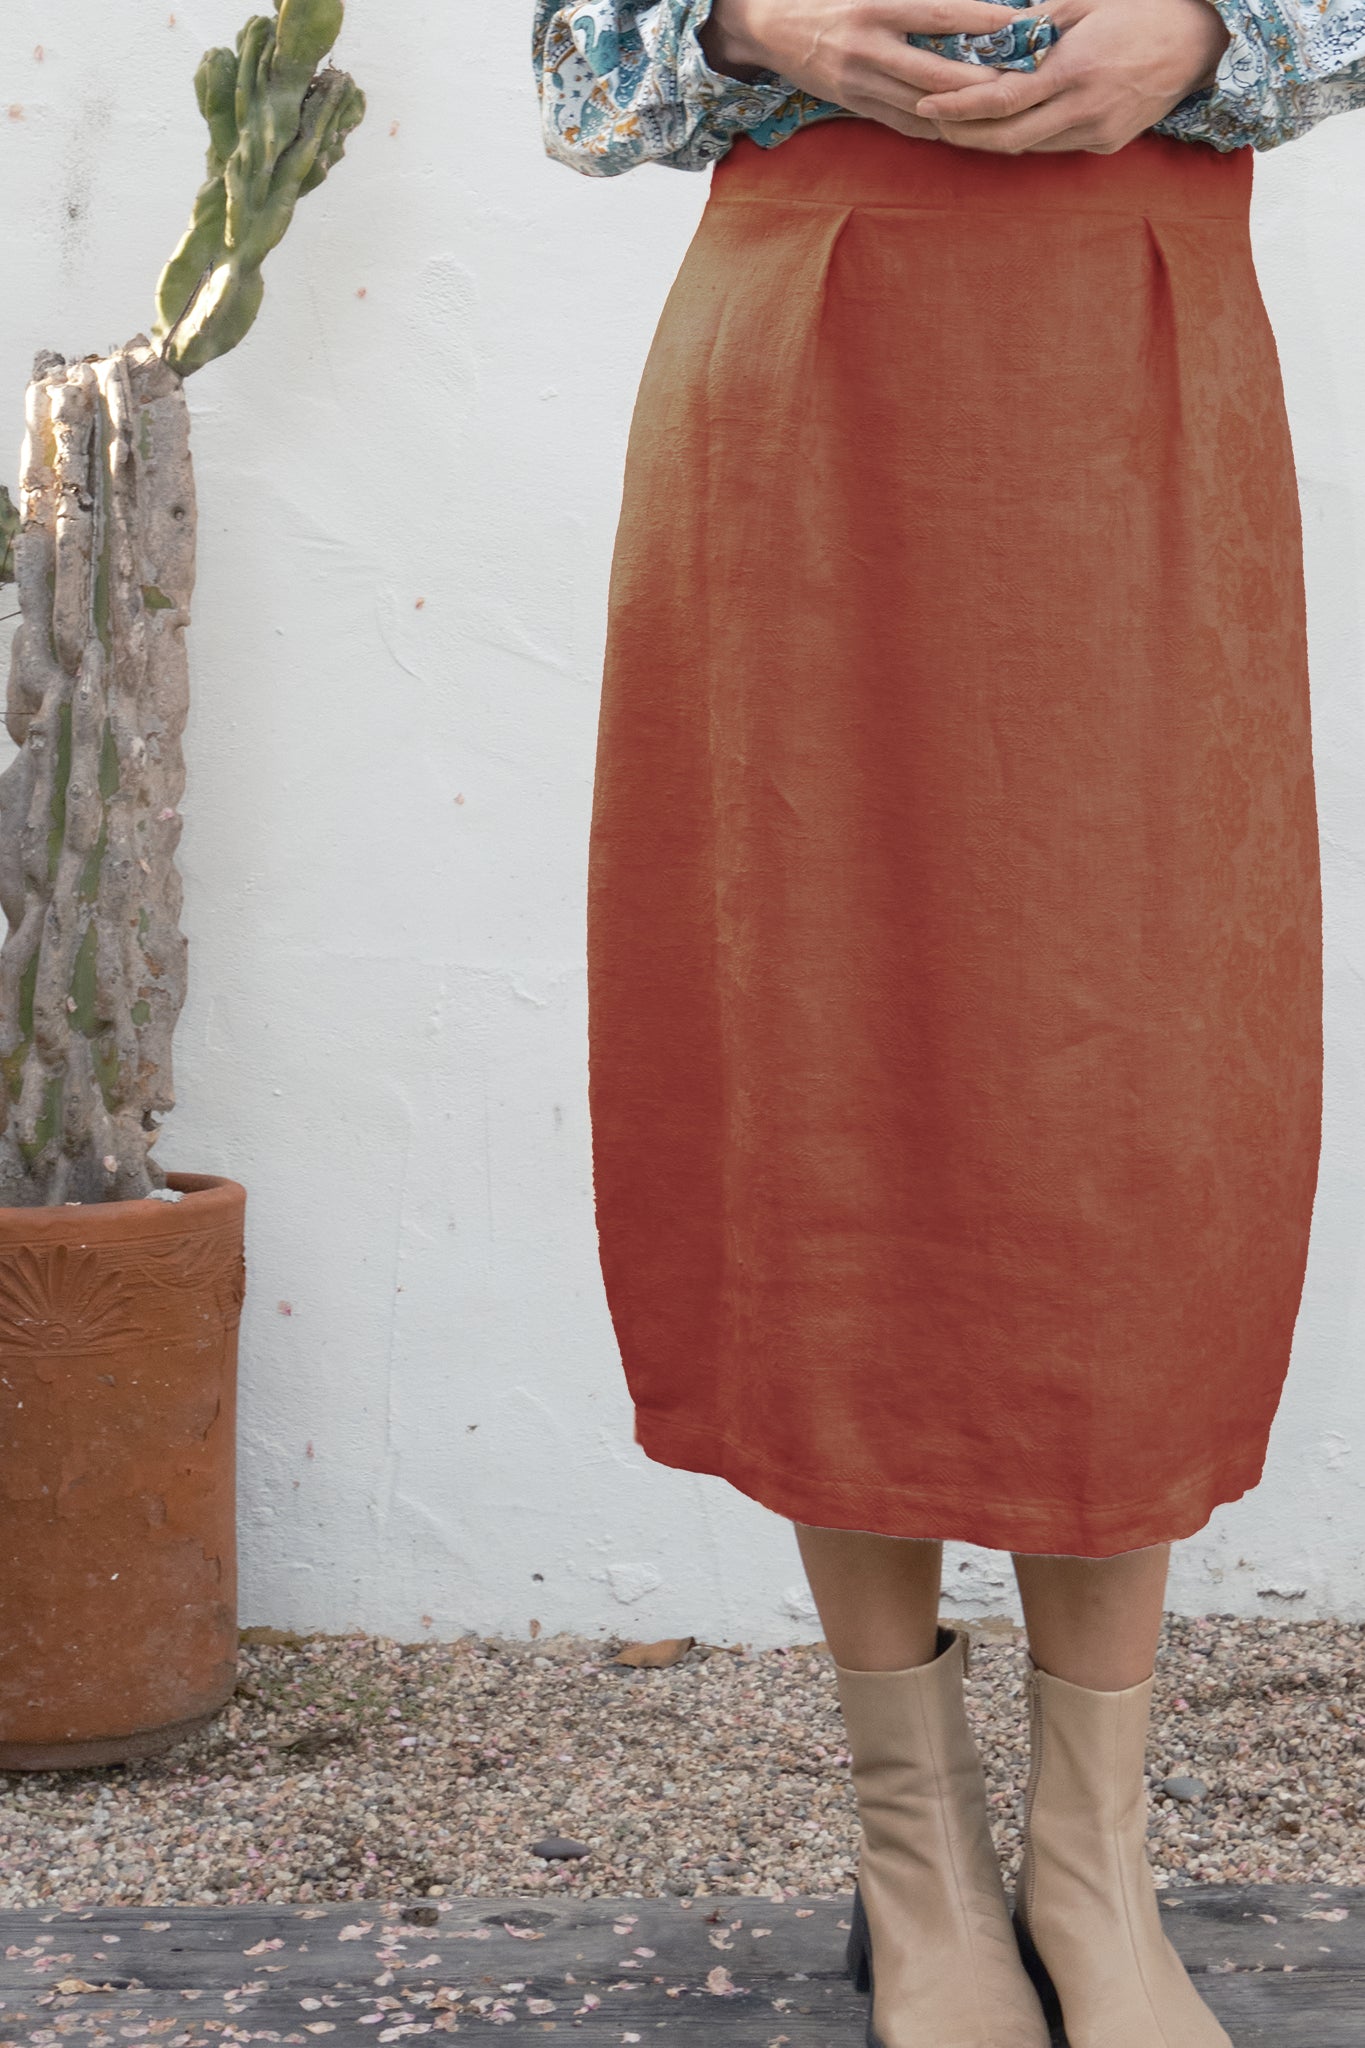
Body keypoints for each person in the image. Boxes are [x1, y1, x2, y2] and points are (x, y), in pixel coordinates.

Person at [531, 3, 1361, 2042]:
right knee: (830, 1063)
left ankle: (1089, 1866)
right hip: (805, 344)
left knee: (1134, 1092)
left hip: (1133, 334)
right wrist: (742, 15)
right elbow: (574, 62)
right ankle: (915, 1861)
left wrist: (1203, 29)